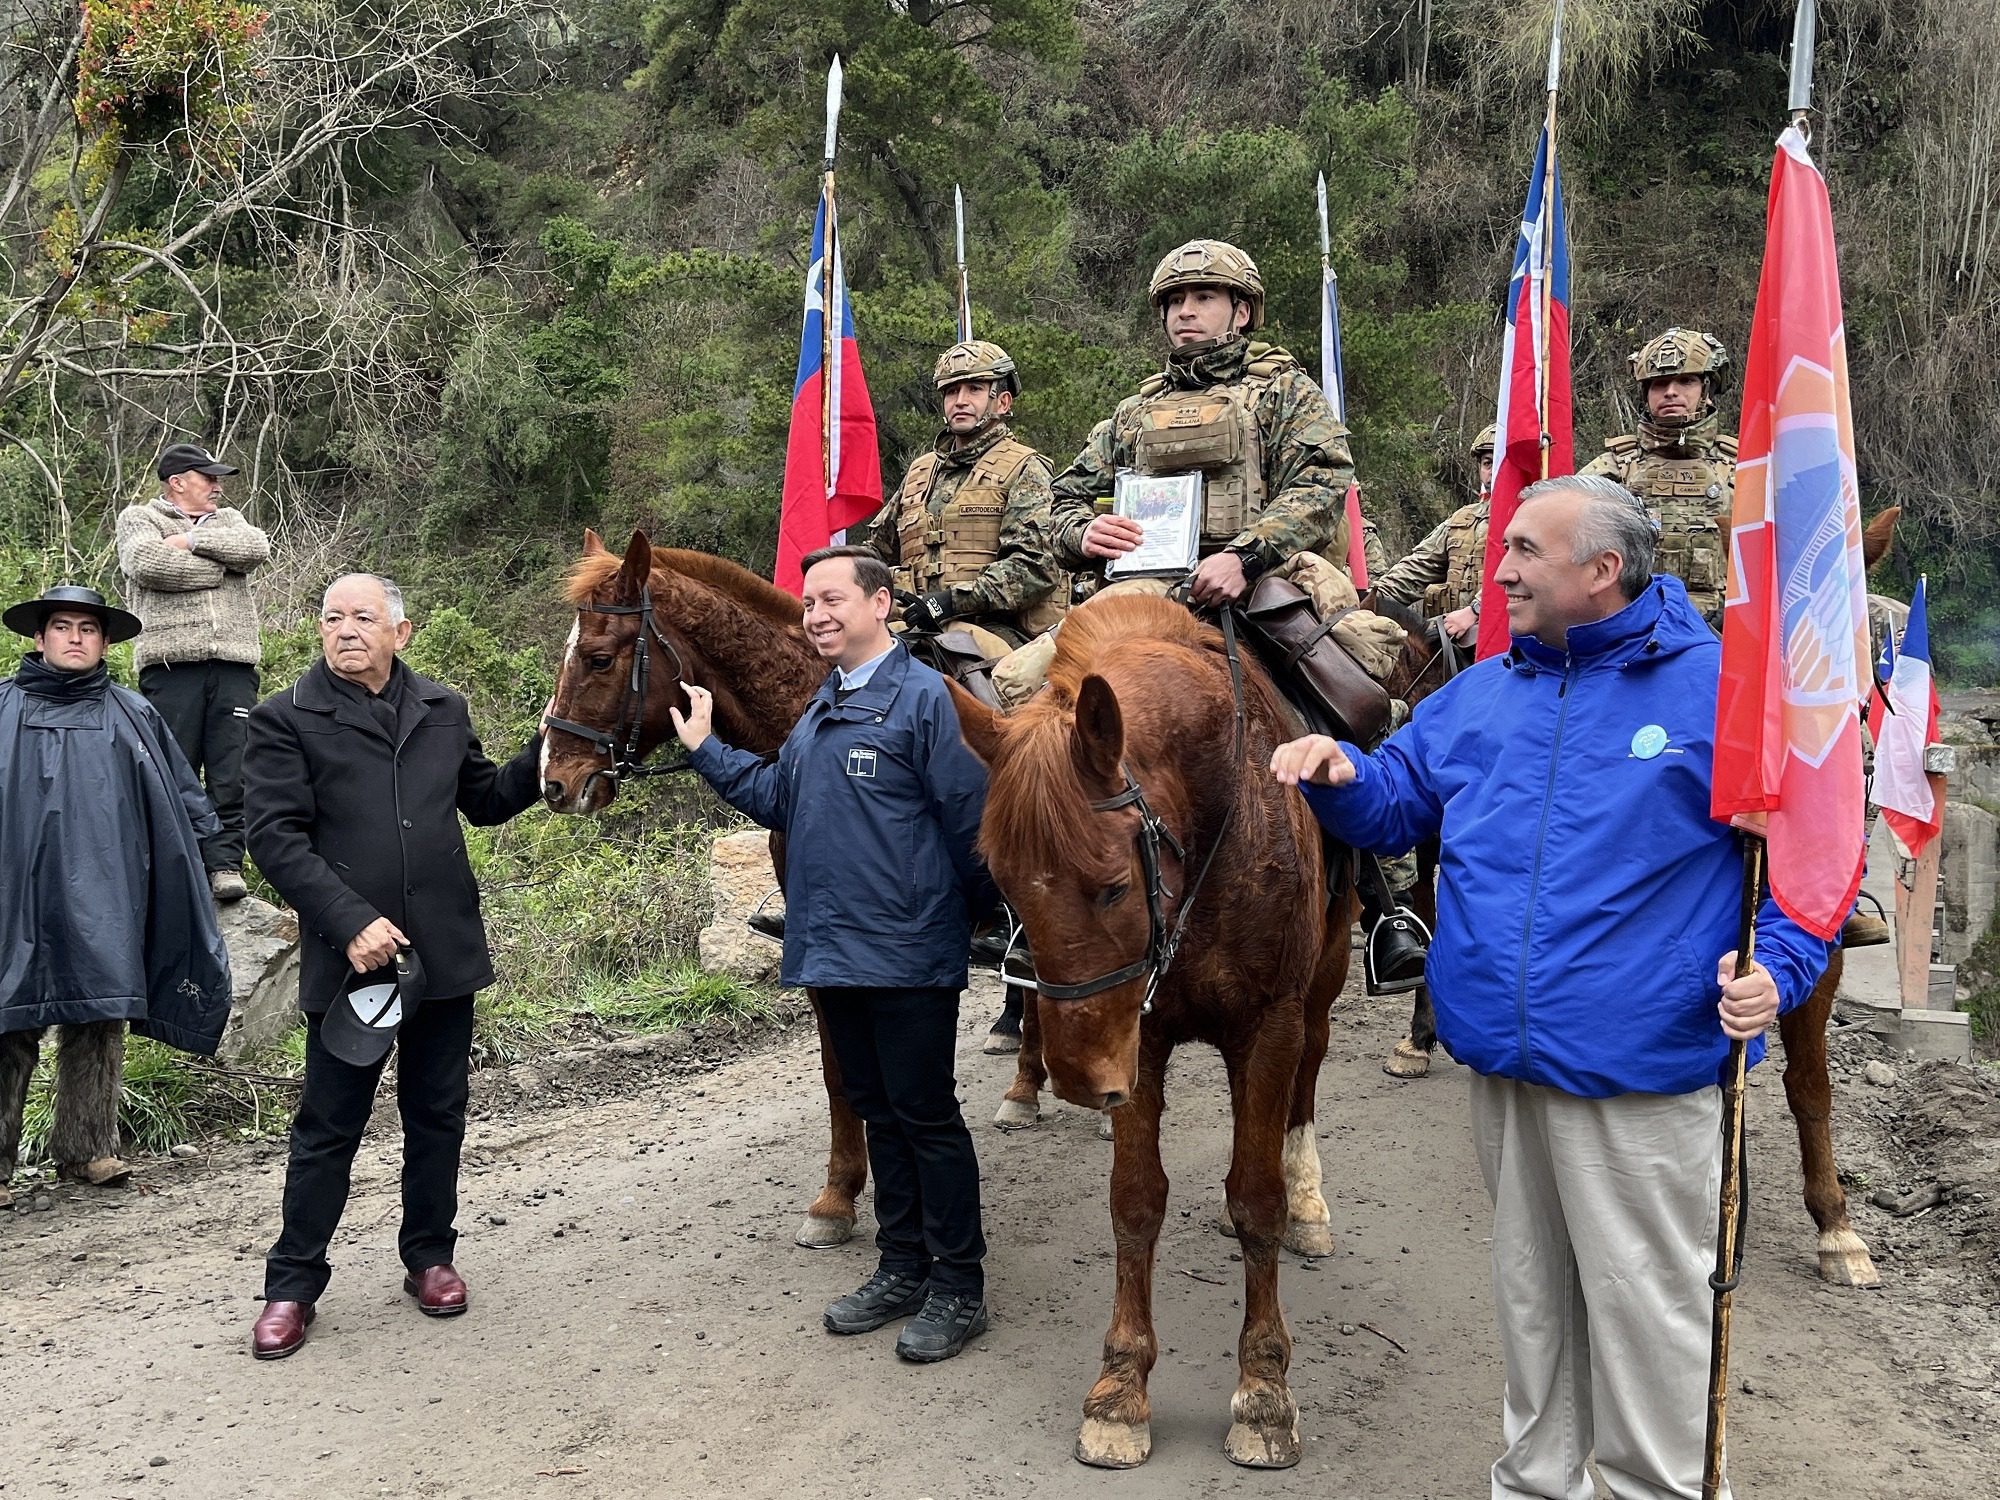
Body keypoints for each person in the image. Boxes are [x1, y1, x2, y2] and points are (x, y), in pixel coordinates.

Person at [1270, 474, 1835, 1500]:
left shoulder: (1722, 691)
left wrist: (1781, 966)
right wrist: (1340, 776)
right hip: (1501, 1055)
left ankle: (1650, 1489)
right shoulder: (1482, 689)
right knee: (1533, 1298)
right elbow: (1398, 802)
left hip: (1645, 1062)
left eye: (1526, 549)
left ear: (1601, 570)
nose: (1502, 567)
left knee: (1647, 1301)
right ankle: (1532, 1483)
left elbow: (1809, 854)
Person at [992, 235, 1424, 989]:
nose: (1185, 313)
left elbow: (1324, 482)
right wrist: (1083, 531)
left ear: (1242, 310)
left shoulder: (1283, 391)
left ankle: (1387, 900)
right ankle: (1027, 906)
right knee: (1022, 700)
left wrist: (1247, 553)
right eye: (1174, 303)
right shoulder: (1134, 410)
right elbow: (1061, 500)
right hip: (1140, 591)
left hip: (1257, 580)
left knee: (1355, 698)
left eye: (1202, 299)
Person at [672, 544, 993, 1363]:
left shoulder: (922, 701)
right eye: (808, 602)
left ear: (881, 606)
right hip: (832, 950)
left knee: (927, 1117)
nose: (815, 614)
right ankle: (901, 1265)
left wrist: (964, 915)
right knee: (878, 1111)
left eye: (832, 600)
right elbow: (778, 797)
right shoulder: (821, 707)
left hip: (907, 951)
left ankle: (959, 1286)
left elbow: (972, 825)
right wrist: (708, 746)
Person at [243, 573, 545, 1359]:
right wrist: (348, 922)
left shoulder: (443, 708)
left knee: (436, 1113)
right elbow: (275, 838)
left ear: (399, 634)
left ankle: (430, 1258)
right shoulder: (286, 717)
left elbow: (483, 799)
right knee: (328, 1125)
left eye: (364, 618)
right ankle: (292, 1284)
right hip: (352, 965)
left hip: (441, 952)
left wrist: (553, 745)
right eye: (333, 618)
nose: (346, 630)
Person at [1, 586, 231, 1206]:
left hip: (105, 886)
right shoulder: (1, 707)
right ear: (41, 637)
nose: (75, 637)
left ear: (105, 642)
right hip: (12, 887)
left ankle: (85, 1150)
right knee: (7, 1014)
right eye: (62, 626)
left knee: (99, 1011)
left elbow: (182, 789)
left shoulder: (133, 713)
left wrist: (218, 855)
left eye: (87, 628)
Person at [116, 442, 272, 902]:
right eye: (209, 477)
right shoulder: (139, 518)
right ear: (177, 482)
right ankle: (177, 864)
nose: (218, 486)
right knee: (172, 768)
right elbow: (146, 564)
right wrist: (218, 571)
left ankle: (224, 865)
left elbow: (256, 547)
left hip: (235, 664)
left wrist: (193, 542)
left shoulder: (230, 520)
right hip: (169, 665)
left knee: (234, 770)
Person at [870, 339, 1064, 651]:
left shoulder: (1025, 467)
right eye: (951, 391)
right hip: (907, 628)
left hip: (995, 633)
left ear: (1002, 402)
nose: (960, 400)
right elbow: (877, 555)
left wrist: (950, 602)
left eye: (973, 389)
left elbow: (1034, 568)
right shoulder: (919, 473)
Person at [1579, 328, 1736, 631]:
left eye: (1686, 380)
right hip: (1630, 634)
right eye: (1659, 383)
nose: (1671, 391)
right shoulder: (1612, 470)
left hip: (1723, 637)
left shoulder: (1744, 471)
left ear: (1707, 389)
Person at [1372, 423, 1496, 646]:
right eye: (1488, 463)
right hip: (1455, 641)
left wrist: (1476, 610)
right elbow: (1417, 568)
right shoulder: (1463, 519)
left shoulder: (1533, 517)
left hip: (1509, 642)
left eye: (1501, 461)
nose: (1493, 471)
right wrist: (1372, 598)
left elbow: (1530, 578)